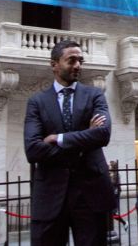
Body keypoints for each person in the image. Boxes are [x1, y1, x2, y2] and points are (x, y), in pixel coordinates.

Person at [24, 39, 114, 246]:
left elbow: (103, 135)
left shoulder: (95, 95)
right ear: (54, 64)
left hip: (91, 195)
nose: (78, 66)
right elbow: (33, 150)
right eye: (71, 60)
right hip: (50, 196)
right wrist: (84, 141)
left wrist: (59, 139)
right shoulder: (37, 102)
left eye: (80, 60)